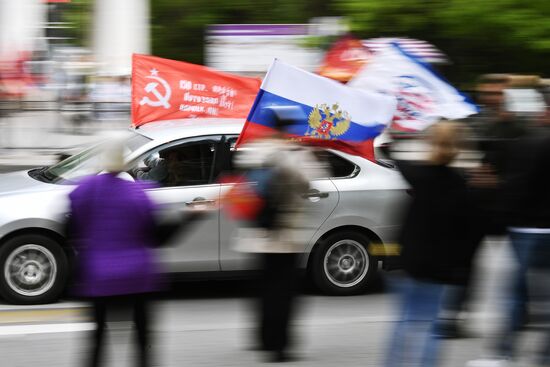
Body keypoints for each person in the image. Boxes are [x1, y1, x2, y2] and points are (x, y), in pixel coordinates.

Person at [233, 106, 326, 362]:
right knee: (282, 293)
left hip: (257, 234)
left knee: (263, 289)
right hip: (285, 236)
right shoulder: (295, 154)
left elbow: (241, 181)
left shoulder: (255, 149)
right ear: (288, 128)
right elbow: (309, 184)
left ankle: (263, 339)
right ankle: (279, 347)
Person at [385, 121, 479, 367]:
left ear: (429, 143)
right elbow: (469, 232)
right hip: (440, 268)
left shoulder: (419, 175)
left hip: (409, 262)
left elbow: (390, 156)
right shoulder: (461, 185)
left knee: (404, 322)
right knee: (430, 325)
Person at [67, 137, 160, 367]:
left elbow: (71, 229)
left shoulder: (86, 190)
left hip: (99, 276)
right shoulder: (139, 193)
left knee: (98, 335)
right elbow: (154, 235)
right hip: (138, 276)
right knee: (142, 334)